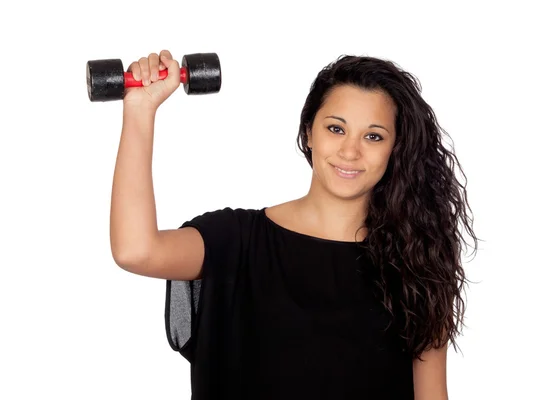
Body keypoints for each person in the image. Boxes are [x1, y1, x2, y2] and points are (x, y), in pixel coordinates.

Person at [110, 49, 478, 400]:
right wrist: (140, 111)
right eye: (336, 129)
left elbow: (431, 395)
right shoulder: (237, 241)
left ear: (395, 150)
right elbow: (136, 251)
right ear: (308, 133)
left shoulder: (416, 264)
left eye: (373, 136)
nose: (351, 151)